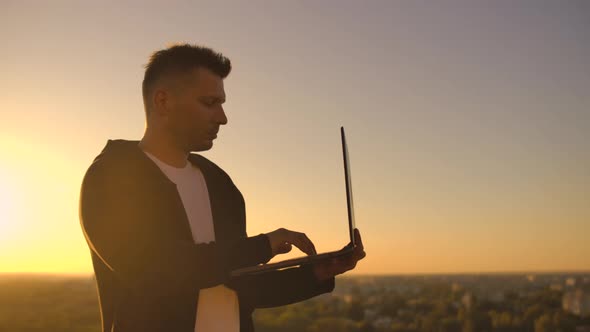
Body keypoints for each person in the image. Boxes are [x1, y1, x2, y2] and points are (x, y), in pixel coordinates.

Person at [78, 43, 366, 332]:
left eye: (222, 103)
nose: (222, 117)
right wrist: (263, 245)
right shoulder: (111, 178)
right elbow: (155, 270)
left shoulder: (220, 184)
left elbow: (237, 283)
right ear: (163, 102)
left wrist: (317, 272)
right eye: (209, 102)